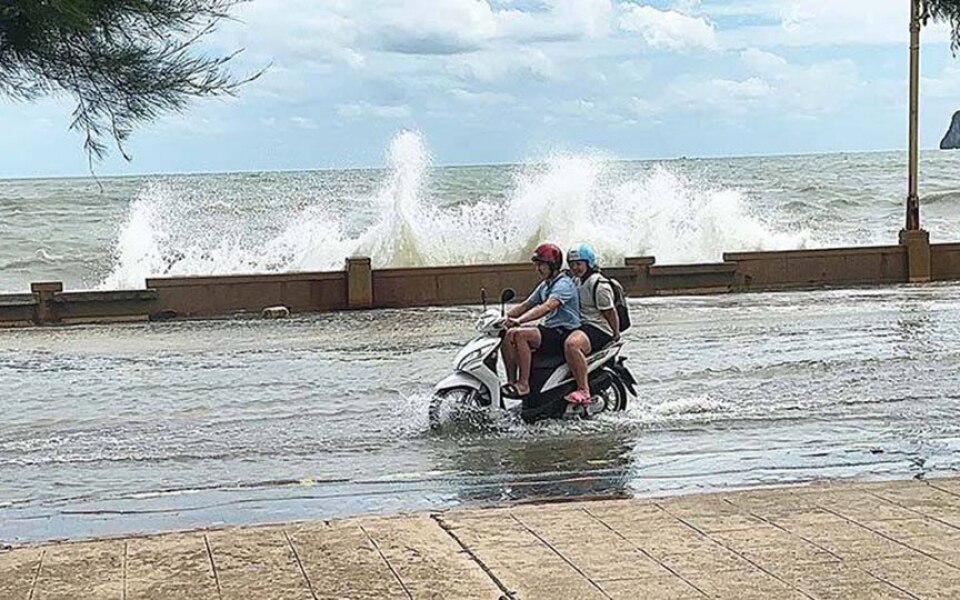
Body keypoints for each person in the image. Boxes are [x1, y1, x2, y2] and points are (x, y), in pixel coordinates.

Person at [500, 243, 580, 398]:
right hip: (550, 330)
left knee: (519, 334)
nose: (538, 269)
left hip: (564, 332)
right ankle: (511, 381)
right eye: (536, 265)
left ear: (553, 265)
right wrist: (502, 318)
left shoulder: (563, 284)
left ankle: (524, 384)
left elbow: (547, 307)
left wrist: (519, 321)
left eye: (541, 265)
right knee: (506, 334)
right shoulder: (545, 285)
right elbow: (526, 305)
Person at [563, 243, 619, 411]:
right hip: (582, 326)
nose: (575, 267)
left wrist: (615, 335)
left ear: (589, 263)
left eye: (579, 263)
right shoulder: (576, 281)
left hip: (598, 328)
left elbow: (610, 313)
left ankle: (583, 389)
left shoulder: (599, 284)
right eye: (572, 264)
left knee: (572, 345)